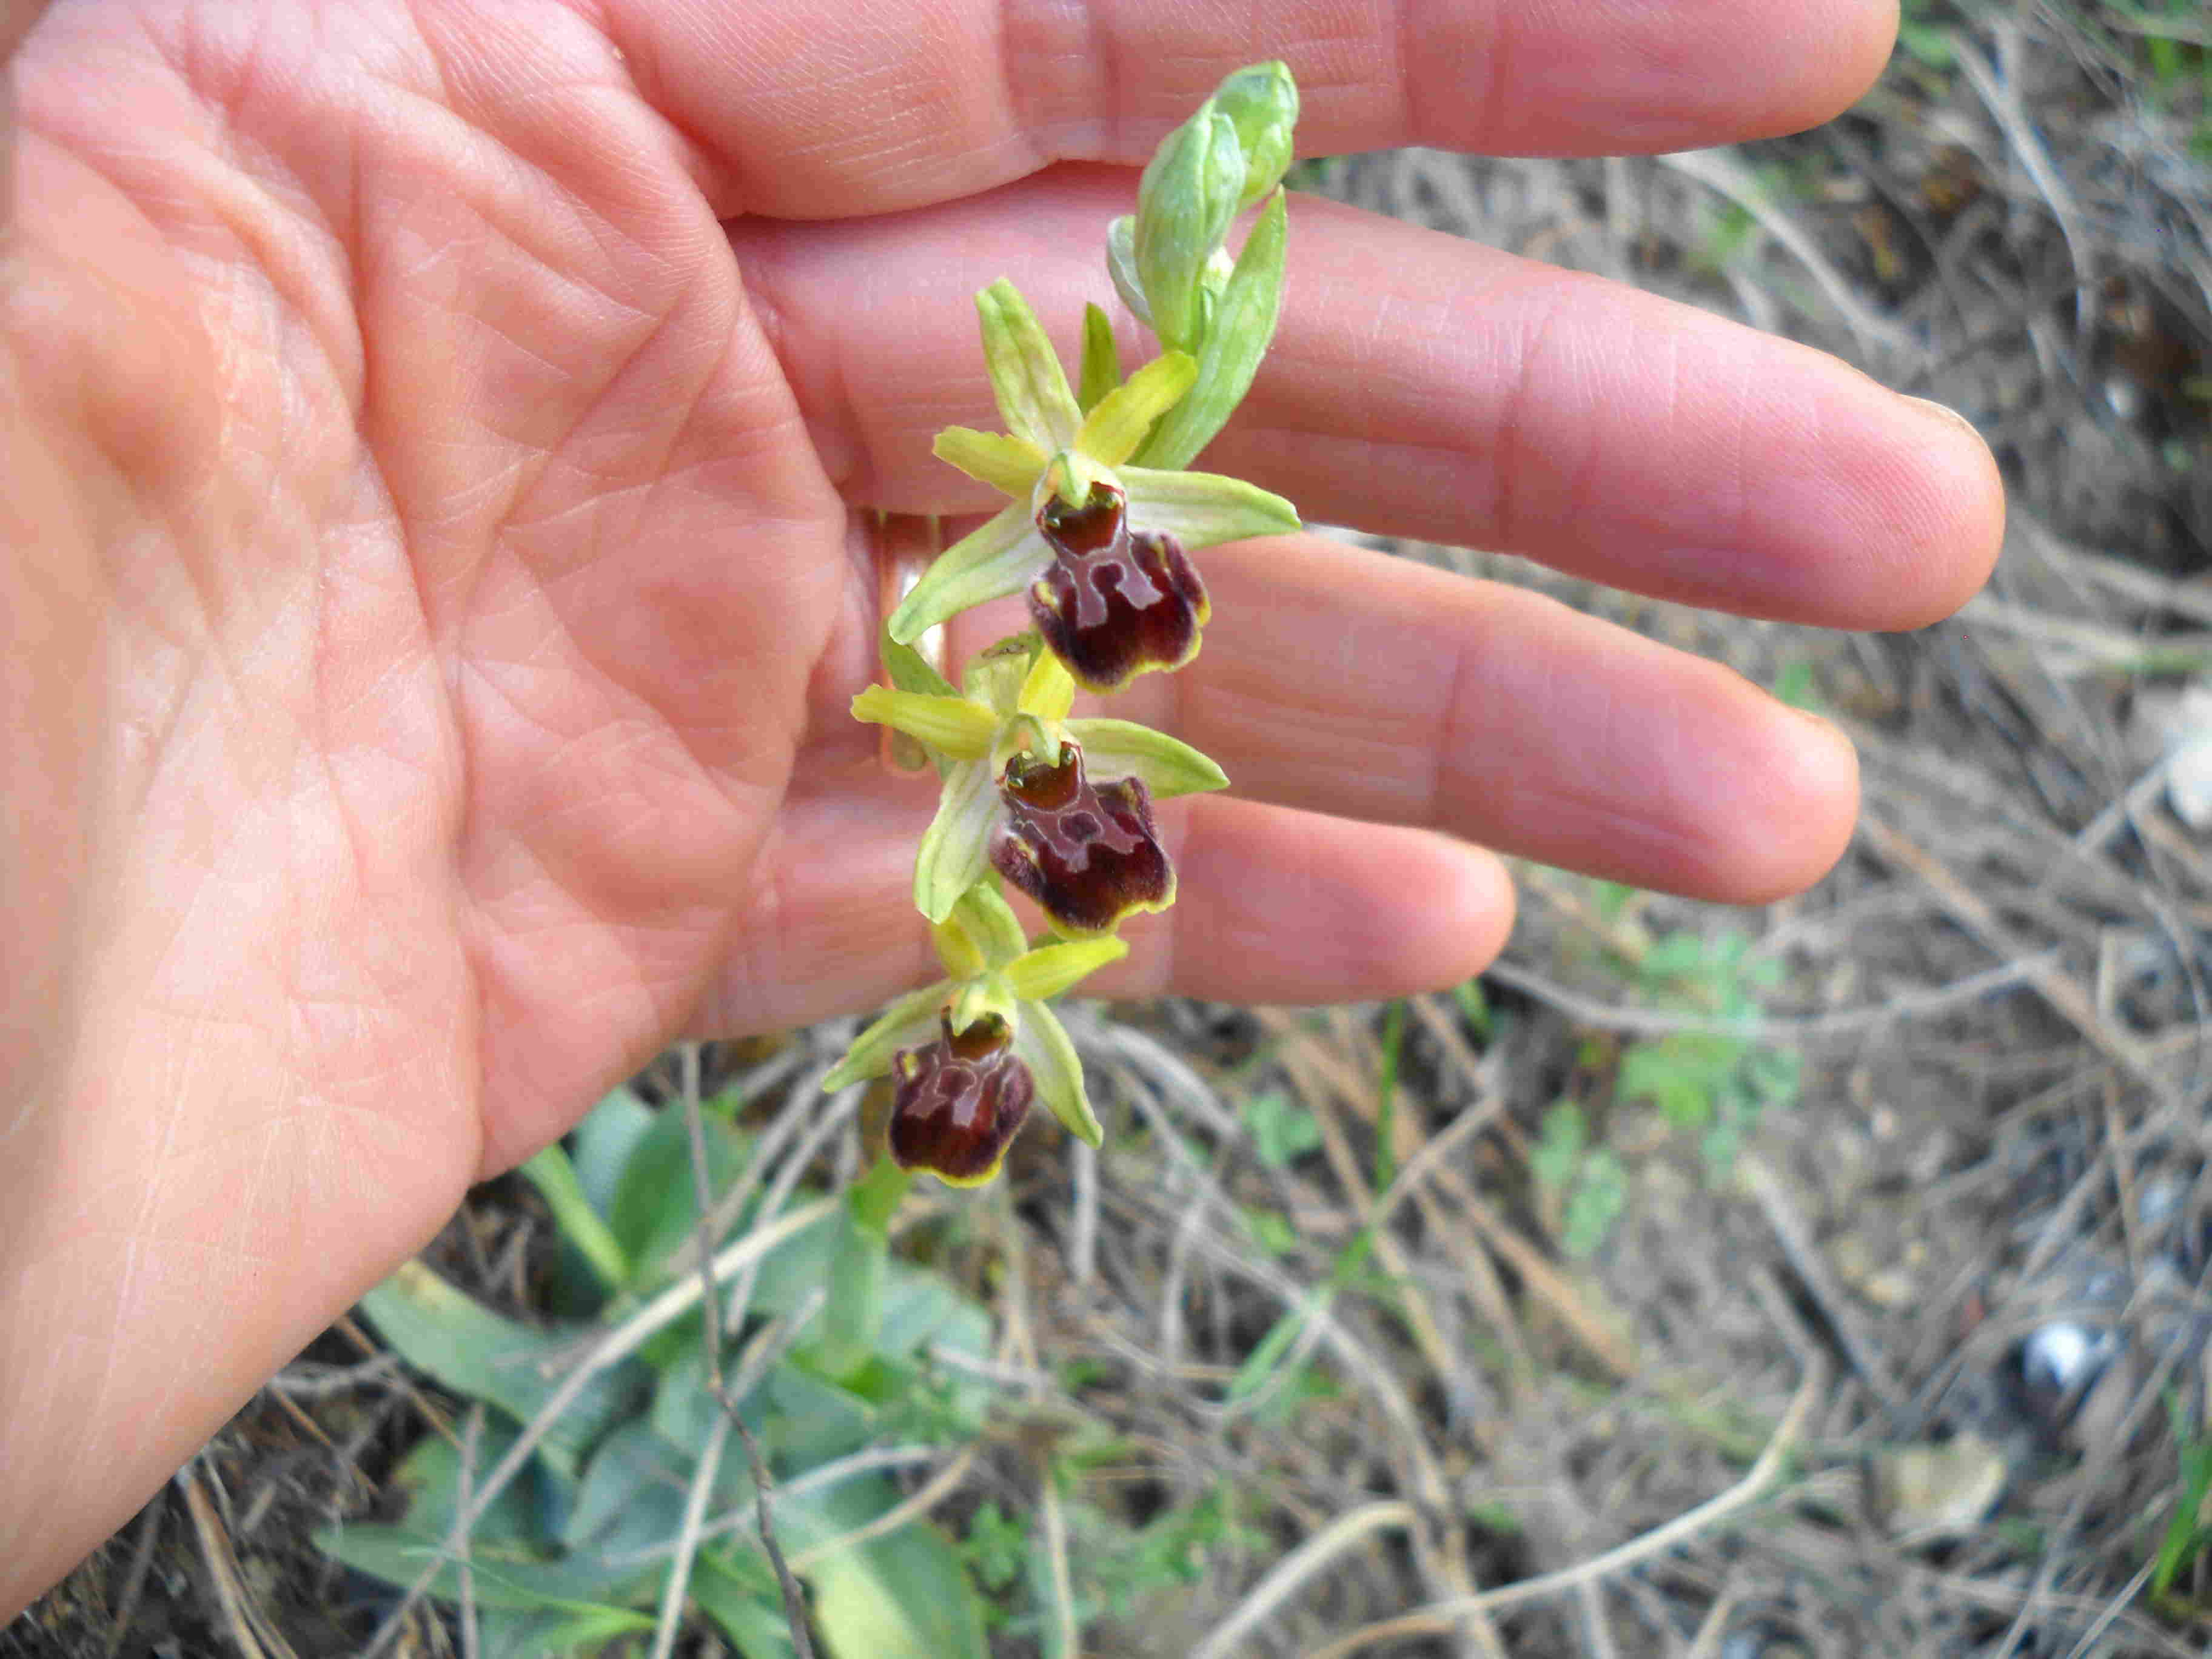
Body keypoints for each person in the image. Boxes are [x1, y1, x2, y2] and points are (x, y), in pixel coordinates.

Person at [0, 0, 2002, 1620]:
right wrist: (1015, 728)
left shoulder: (1091, 594)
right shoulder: (1001, 636)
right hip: (993, 777)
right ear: (1040, 475)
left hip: (1019, 778)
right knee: (991, 882)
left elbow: (1181, 544)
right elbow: (987, 652)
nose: (1091, 535)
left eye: (1096, 519)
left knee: (1033, 865)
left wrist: (1045, 731)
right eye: (1073, 514)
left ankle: (839, 1321)